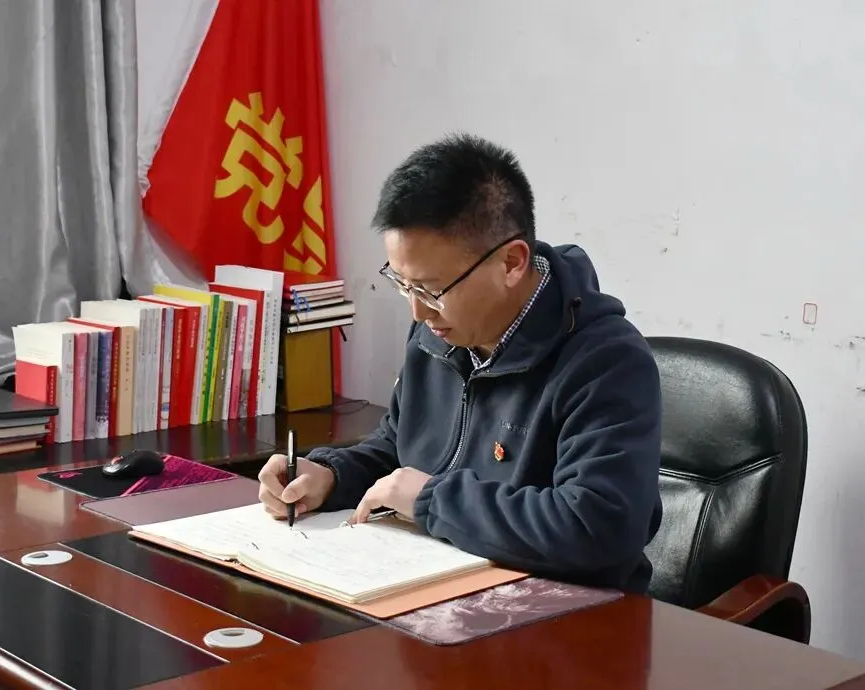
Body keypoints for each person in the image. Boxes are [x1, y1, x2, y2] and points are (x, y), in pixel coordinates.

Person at [258, 133, 663, 592]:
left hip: (568, 615)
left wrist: (432, 499)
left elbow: (597, 527)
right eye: (403, 284)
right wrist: (330, 475)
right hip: (436, 589)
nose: (418, 312)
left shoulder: (606, 361)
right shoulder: (438, 332)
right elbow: (399, 448)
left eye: (431, 290)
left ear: (512, 263)